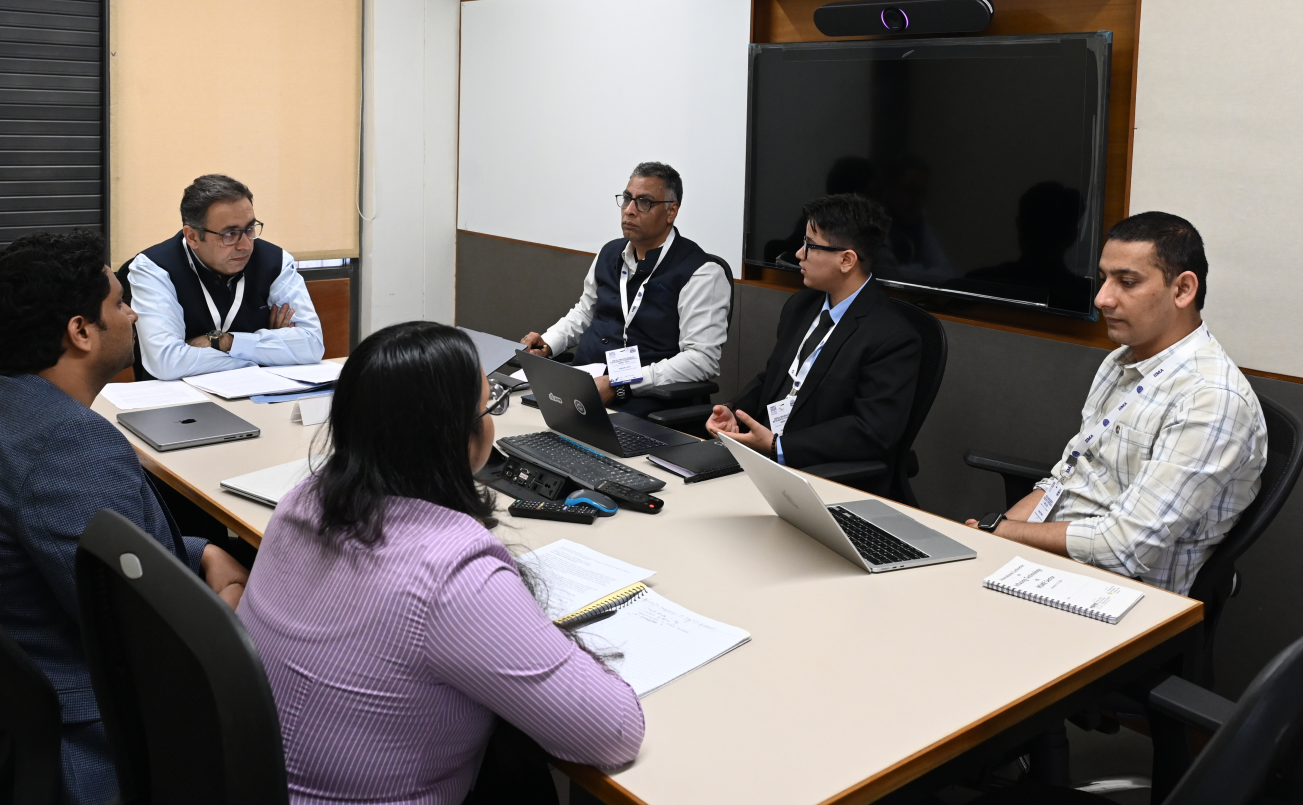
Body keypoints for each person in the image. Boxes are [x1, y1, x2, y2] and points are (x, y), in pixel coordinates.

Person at [240, 321, 644, 805]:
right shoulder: (452, 574)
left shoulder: (301, 501)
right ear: (454, 437)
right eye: (490, 406)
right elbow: (614, 732)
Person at [0, 230, 250, 805]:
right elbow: (147, 639)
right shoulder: (67, 445)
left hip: (15, 680)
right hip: (94, 720)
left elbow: (92, 550)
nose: (133, 316)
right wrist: (227, 610)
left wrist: (201, 549)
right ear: (80, 331)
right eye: (120, 303)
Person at [961, 212, 1268, 596]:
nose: (1102, 298)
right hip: (1052, 561)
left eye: (1127, 282)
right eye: (1104, 278)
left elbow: (1125, 547)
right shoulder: (1121, 360)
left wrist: (1005, 533)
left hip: (1121, 594)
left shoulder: (1211, 400)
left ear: (1183, 289)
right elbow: (1067, 477)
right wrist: (990, 538)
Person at [707, 194, 920, 487]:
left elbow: (871, 431)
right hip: (760, 462)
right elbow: (773, 377)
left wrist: (779, 446)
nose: (799, 254)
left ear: (846, 260)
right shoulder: (801, 306)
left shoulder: (893, 337)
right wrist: (733, 411)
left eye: (810, 245)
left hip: (820, 477)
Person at [522, 162, 729, 416]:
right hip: (582, 386)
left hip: (644, 402)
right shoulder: (609, 252)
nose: (629, 210)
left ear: (671, 211)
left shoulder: (701, 273)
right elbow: (586, 313)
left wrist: (620, 382)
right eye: (627, 199)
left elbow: (701, 360)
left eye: (644, 202)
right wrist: (549, 343)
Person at [123, 174, 323, 380]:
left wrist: (225, 342)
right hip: (177, 397)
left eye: (250, 228)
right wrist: (270, 353)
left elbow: (312, 345)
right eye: (230, 234)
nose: (246, 245)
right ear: (192, 236)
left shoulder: (276, 261)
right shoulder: (154, 268)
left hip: (258, 391)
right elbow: (167, 361)